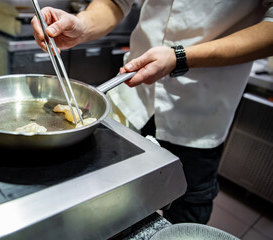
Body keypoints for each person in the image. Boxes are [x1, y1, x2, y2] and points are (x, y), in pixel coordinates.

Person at [32, 0, 273, 224]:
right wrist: (81, 24)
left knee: (183, 215)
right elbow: (116, 3)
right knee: (110, 202)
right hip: (131, 101)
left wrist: (180, 57)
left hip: (199, 115)